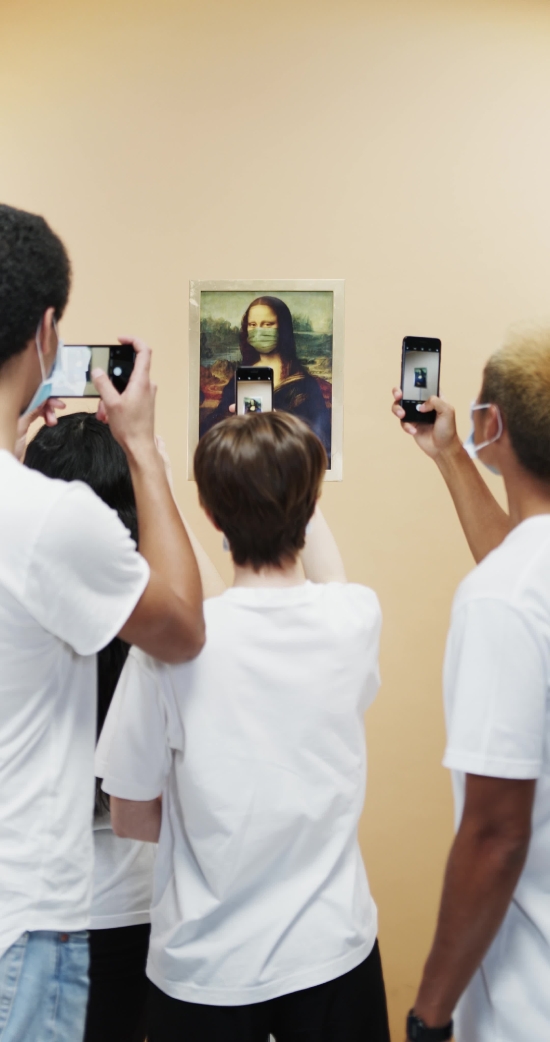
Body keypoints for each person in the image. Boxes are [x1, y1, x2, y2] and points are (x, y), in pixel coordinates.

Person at [96, 411, 391, 1042]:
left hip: (205, 970)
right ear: (311, 503)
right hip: (333, 954)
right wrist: (289, 483)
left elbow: (129, 814)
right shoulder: (354, 618)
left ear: (211, 514)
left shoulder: (170, 650)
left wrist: (212, 830)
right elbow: (331, 578)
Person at [0, 203, 205, 1042]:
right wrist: (144, 447)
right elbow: (183, 626)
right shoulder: (49, 522)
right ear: (46, 332)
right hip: (30, 919)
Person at [24, 413, 224, 1042]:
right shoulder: (167, 630)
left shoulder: (21, 619)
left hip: (37, 911)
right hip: (143, 910)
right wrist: (151, 472)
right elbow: (217, 609)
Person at [391, 328, 550, 1042]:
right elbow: (523, 568)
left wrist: (429, 1014)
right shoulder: (520, 583)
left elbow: (495, 835)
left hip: (531, 1001)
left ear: (494, 424)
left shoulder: (503, 598)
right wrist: (451, 453)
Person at [200, 295, 332, 463]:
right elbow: (209, 434)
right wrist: (230, 421)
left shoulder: (305, 385)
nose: (259, 331)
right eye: (252, 325)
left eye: (268, 324)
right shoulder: (238, 380)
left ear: (282, 328)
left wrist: (281, 426)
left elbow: (322, 444)